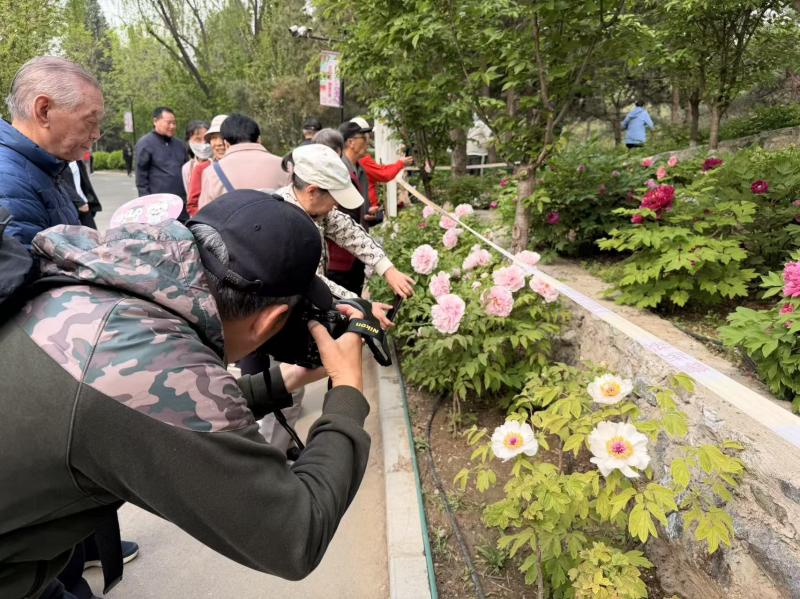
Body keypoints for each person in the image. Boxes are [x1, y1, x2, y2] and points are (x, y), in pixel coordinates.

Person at [0, 190, 372, 599]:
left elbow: (161, 404)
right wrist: (347, 392)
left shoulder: (112, 270)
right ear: (270, 321)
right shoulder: (151, 365)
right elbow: (296, 534)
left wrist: (284, 379)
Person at [0, 54, 138, 599]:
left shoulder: (43, 167)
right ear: (43, 110)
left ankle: (84, 556)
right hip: (43, 370)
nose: (96, 135)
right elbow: (27, 293)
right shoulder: (9, 182)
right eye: (90, 121)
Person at [258, 143, 414, 451]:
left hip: (299, 312)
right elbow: (309, 281)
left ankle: (278, 447)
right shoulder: (284, 221)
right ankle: (268, 455)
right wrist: (360, 306)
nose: (336, 206)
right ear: (313, 190)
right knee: (285, 389)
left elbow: (349, 231)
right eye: (333, 197)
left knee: (292, 387)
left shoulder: (313, 209)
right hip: (279, 317)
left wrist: (388, 269)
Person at [198, 113, 289, 210]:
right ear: (259, 139)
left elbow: (205, 214)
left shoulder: (212, 173)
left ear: (226, 143)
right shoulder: (285, 166)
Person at [327, 119, 373, 294]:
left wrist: (367, 214)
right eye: (364, 137)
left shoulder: (359, 169)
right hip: (340, 258)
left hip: (355, 253)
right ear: (351, 142)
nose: (368, 141)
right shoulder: (340, 171)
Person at [134, 106, 188, 214]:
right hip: (158, 206)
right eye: (168, 123)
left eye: (174, 123)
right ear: (155, 121)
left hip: (181, 203)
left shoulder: (180, 145)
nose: (172, 126)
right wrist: (146, 203)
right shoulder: (145, 143)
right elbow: (141, 178)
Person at [186, 114, 226, 218]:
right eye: (214, 138)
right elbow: (192, 205)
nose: (219, 143)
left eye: (223, 137)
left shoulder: (243, 165)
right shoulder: (201, 169)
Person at [64, 159, 102, 229]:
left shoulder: (77, 161)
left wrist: (90, 201)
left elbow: (85, 183)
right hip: (70, 206)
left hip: (84, 206)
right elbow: (62, 183)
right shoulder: (57, 162)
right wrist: (79, 202)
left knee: (92, 234)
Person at [181, 119, 210, 194]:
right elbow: (190, 194)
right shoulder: (187, 168)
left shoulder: (219, 162)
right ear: (188, 141)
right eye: (198, 139)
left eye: (207, 140)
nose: (203, 144)